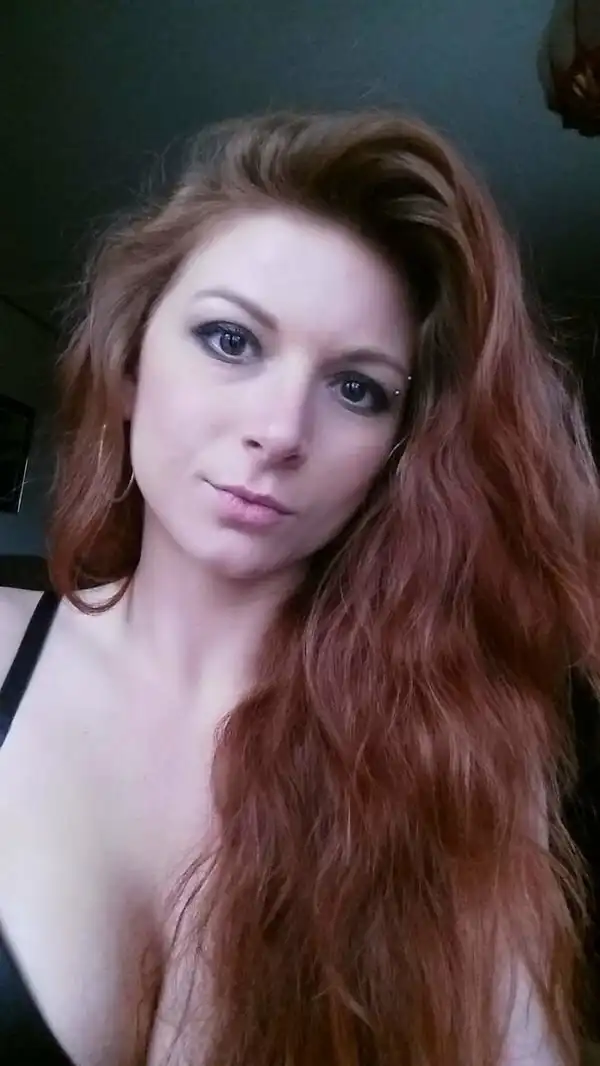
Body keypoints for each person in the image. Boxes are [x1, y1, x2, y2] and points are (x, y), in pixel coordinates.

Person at [0, 110, 598, 1066]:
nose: (281, 431)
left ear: (396, 454)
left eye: (358, 389)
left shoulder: (450, 761)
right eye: (231, 340)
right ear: (130, 361)